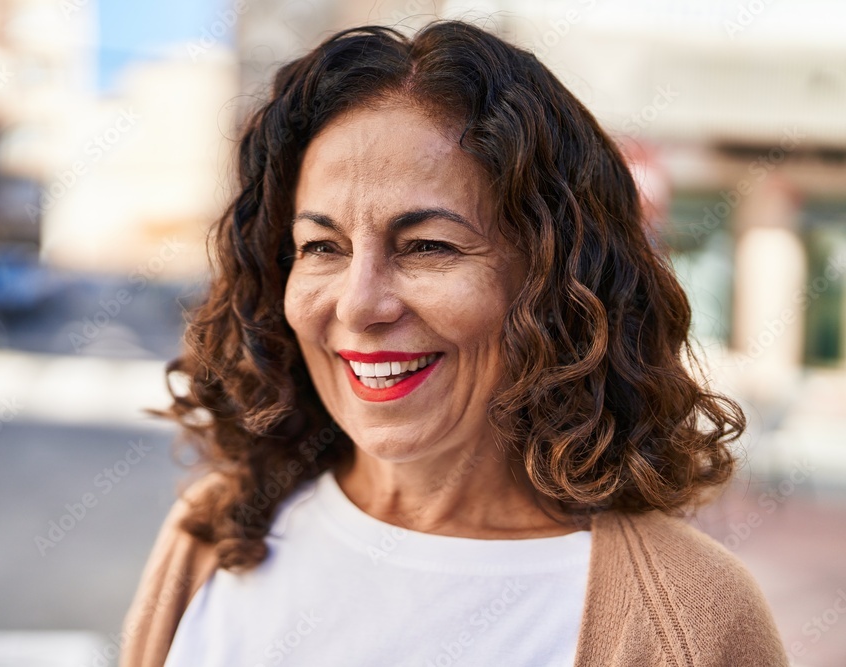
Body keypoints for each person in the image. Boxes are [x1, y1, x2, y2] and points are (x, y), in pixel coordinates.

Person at [120, 20, 788, 667]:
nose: (358, 304)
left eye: (428, 246)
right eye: (322, 246)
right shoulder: (216, 531)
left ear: (555, 284)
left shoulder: (690, 619)